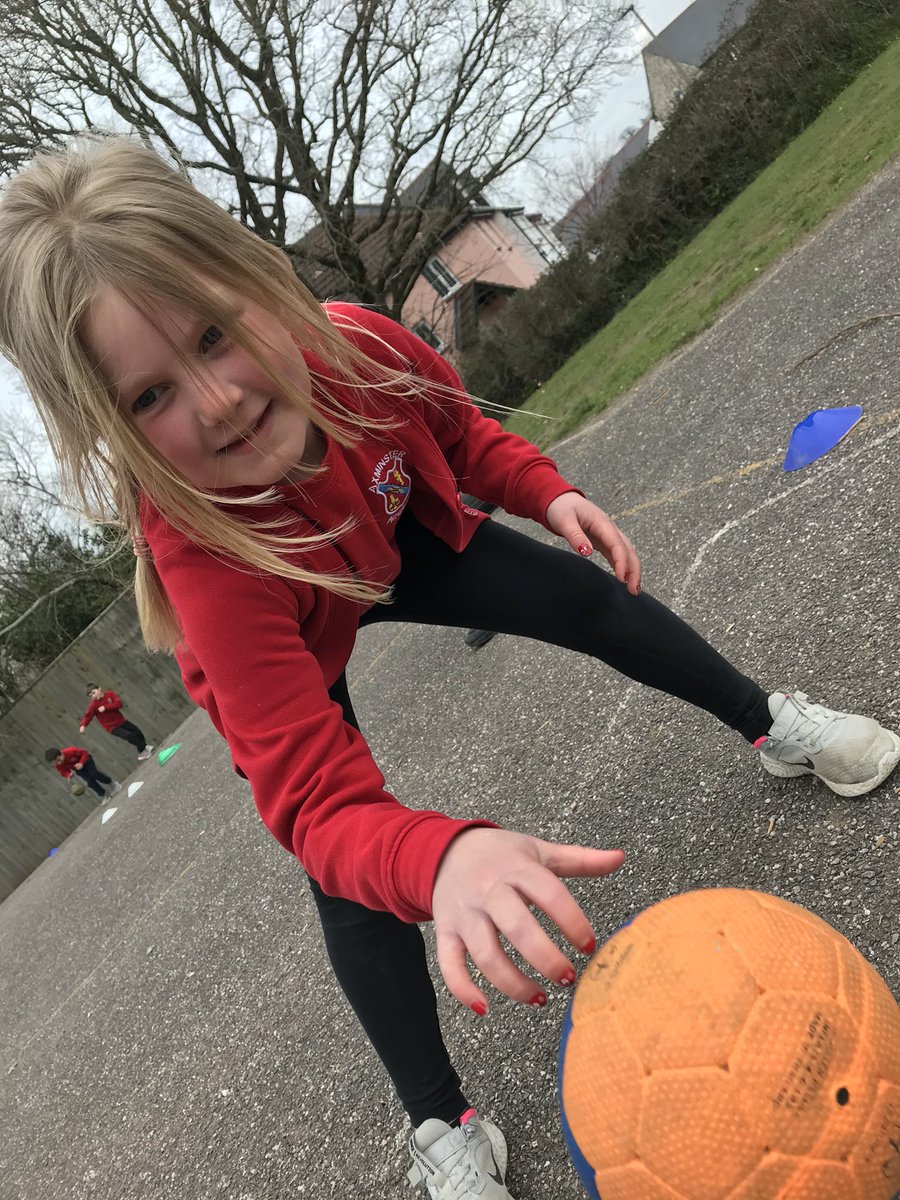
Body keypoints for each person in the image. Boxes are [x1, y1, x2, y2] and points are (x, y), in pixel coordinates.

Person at [2, 137, 897, 1200]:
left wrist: (541, 489)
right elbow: (322, 806)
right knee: (351, 878)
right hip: (289, 613)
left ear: (255, 279)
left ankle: (772, 723)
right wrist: (439, 859)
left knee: (585, 594)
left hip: (390, 542)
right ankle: (437, 1117)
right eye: (150, 398)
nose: (219, 400)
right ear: (112, 428)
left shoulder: (353, 346)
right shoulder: (203, 561)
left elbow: (459, 431)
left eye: (214, 332)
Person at [80, 683, 155, 761]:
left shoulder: (110, 694)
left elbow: (119, 704)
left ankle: (143, 749)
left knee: (137, 732)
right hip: (112, 727)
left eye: (93, 692)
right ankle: (143, 749)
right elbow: (87, 716)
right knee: (128, 735)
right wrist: (83, 725)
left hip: (121, 721)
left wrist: (106, 707)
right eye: (91, 695)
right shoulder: (93, 706)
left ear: (99, 688)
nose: (93, 696)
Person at [45, 746, 121, 801]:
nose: (59, 762)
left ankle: (112, 783)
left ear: (61, 753)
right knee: (90, 782)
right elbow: (63, 771)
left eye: (59, 760)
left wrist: (81, 763)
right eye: (56, 762)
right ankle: (104, 795)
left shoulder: (70, 750)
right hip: (78, 769)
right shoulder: (58, 765)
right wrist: (68, 775)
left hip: (87, 761)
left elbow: (84, 753)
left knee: (94, 773)